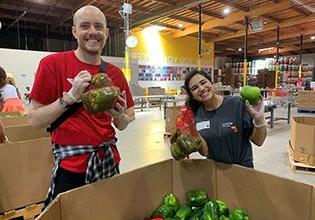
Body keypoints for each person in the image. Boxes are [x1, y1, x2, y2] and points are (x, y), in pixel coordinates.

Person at [27, 5, 135, 206]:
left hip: (109, 160)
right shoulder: (52, 64)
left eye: (98, 26)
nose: (92, 32)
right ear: (74, 31)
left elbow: (125, 121)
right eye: (85, 26)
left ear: (106, 33)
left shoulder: (115, 74)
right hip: (71, 166)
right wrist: (69, 97)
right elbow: (34, 120)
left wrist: (119, 115)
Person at [184, 69, 267, 168]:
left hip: (243, 169)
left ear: (212, 83)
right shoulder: (197, 116)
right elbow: (205, 152)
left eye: (203, 82)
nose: (201, 88)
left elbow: (259, 141)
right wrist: (191, 129)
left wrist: (259, 120)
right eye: (194, 88)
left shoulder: (237, 104)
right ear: (192, 96)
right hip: (215, 170)